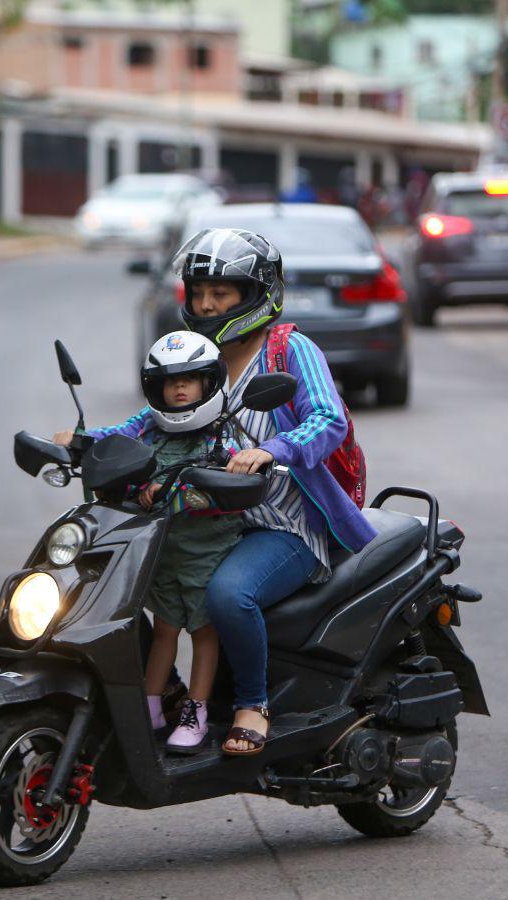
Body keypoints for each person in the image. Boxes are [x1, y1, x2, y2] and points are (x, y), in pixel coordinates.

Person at [171, 228, 376, 755]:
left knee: (226, 594)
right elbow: (157, 420)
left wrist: (276, 449)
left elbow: (328, 420)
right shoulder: (204, 359)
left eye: (221, 293)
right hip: (218, 519)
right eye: (200, 293)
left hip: (288, 527)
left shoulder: (289, 349)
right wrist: (90, 442)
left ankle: (252, 704)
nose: (207, 303)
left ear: (255, 295)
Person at [56, 331, 244, 754]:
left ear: (209, 382)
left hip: (206, 552)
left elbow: (227, 483)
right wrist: (79, 441)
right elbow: (117, 436)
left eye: (190, 379)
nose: (179, 388)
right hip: (160, 549)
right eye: (169, 381)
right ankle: (151, 705)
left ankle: (196, 710)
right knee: (163, 630)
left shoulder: (221, 435)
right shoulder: (148, 423)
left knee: (204, 633)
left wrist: (168, 491)